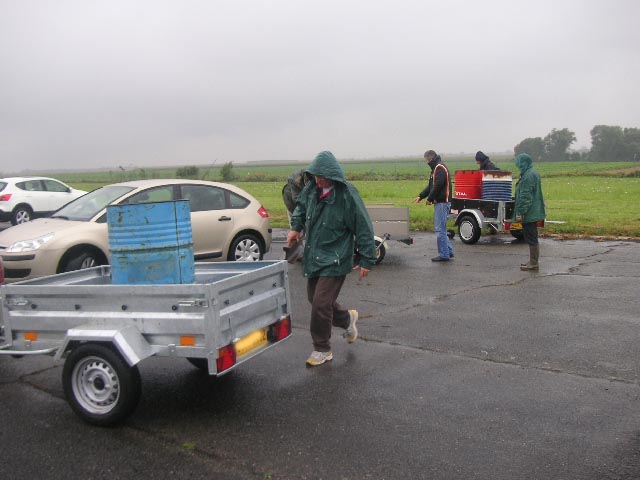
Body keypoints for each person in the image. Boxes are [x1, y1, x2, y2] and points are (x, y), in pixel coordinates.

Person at [287, 151, 377, 367]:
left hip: (336, 257)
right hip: (314, 255)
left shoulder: (347, 195)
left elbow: (363, 226)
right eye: (315, 175)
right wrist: (296, 227)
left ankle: (322, 349)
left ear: (332, 175)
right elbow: (300, 209)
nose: (317, 180)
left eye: (321, 176)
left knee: (320, 304)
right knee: (315, 300)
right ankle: (347, 319)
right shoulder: (311, 190)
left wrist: (367, 259)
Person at [413, 150, 454, 262]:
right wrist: (421, 196)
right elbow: (431, 186)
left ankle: (444, 255)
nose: (426, 163)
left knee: (439, 230)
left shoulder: (439, 168)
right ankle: (449, 252)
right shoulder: (437, 167)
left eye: (426, 160)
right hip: (441, 202)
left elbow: (437, 186)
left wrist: (430, 199)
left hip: (442, 203)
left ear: (430, 159)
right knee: (442, 229)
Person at [513, 153, 546, 271]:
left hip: (530, 212)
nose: (518, 165)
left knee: (531, 236)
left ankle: (533, 263)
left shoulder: (528, 176)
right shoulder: (532, 173)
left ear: (524, 162)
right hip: (533, 210)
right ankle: (532, 261)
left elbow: (525, 197)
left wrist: (520, 212)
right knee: (532, 236)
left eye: (519, 163)